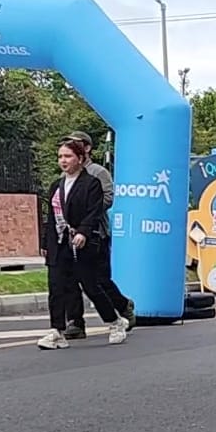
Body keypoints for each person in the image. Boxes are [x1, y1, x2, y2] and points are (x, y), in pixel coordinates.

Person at [38, 139, 131, 350]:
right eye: (61, 156)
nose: (63, 161)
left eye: (68, 156)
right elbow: (52, 217)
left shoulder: (91, 183)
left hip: (82, 244)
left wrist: (83, 232)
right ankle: (56, 331)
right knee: (57, 287)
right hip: (59, 243)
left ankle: (115, 322)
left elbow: (94, 212)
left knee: (91, 286)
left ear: (80, 159)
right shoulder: (56, 185)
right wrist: (46, 241)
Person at [60, 131, 135, 334]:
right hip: (70, 235)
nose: (65, 158)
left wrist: (87, 212)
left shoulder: (98, 172)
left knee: (98, 279)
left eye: (74, 147)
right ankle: (75, 321)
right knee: (70, 279)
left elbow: (108, 198)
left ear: (86, 149)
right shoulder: (65, 176)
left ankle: (122, 305)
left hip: (95, 233)